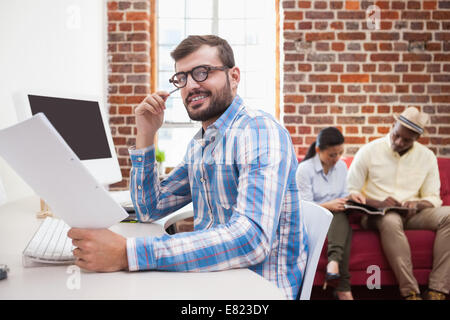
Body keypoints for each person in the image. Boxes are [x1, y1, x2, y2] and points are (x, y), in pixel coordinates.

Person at [67, 35, 308, 300]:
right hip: (215, 279)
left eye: (202, 72)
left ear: (234, 77)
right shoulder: (202, 143)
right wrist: (146, 134)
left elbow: (251, 241)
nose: (190, 85)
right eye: (181, 78)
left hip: (257, 291)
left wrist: (127, 253)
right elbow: (150, 208)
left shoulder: (258, 131)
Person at [347, 107, 450, 300]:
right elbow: (350, 191)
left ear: (417, 138)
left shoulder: (427, 157)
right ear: (392, 126)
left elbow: (433, 197)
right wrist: (377, 202)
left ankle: (438, 290)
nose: (399, 142)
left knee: (449, 215)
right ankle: (410, 293)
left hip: (412, 214)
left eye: (407, 140)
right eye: (396, 136)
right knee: (390, 219)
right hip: (375, 215)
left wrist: (417, 205)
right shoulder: (369, 151)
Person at [296, 127, 365, 300]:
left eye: (340, 153)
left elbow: (342, 194)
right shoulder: (304, 170)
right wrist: (328, 206)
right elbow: (305, 207)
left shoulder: (341, 166)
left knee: (340, 217)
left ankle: (336, 270)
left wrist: (351, 196)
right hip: (315, 218)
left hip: (337, 217)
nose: (336, 159)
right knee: (341, 222)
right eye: (332, 155)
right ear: (319, 150)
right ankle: (342, 284)